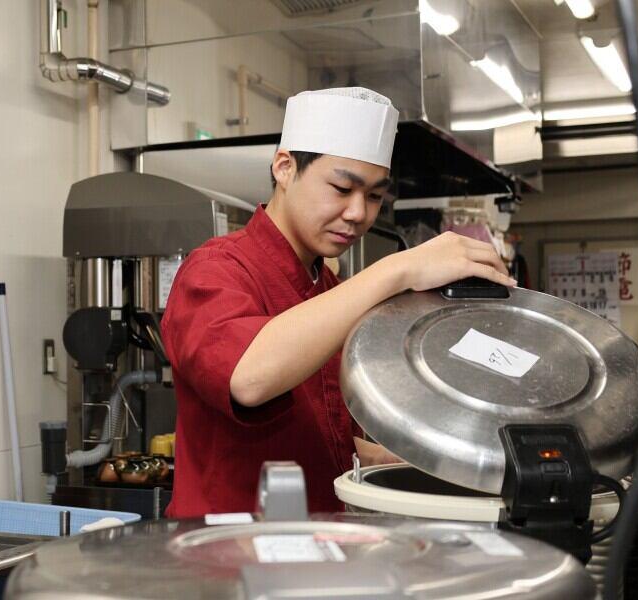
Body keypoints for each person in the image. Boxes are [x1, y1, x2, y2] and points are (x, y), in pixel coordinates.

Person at [161, 87, 514, 517]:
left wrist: (403, 460)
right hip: (229, 560)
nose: (358, 213)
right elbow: (249, 378)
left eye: (374, 196)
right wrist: (396, 269)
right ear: (285, 168)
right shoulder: (215, 270)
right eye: (342, 187)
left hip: (317, 554)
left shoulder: (327, 286)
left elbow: (314, 433)